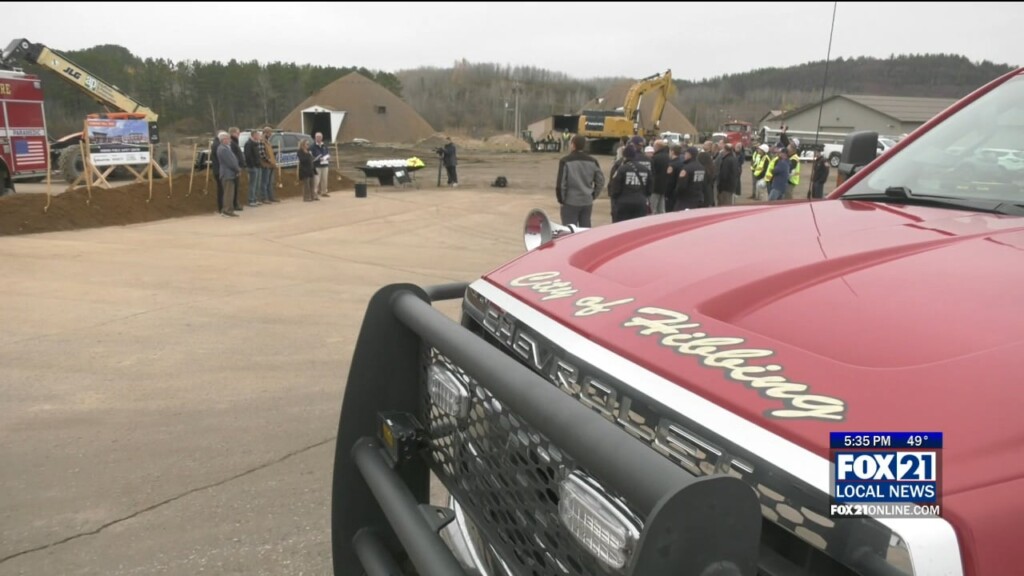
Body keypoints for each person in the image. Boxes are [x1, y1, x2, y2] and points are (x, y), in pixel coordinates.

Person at [555, 134, 605, 228]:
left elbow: (561, 184)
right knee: (585, 231)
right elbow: (600, 181)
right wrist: (592, 195)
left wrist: (562, 200)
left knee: (569, 232)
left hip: (570, 202)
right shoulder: (593, 161)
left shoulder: (565, 161)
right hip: (587, 202)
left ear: (573, 145)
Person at [608, 144, 652, 222]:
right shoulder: (645, 169)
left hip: (623, 203)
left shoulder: (621, 169)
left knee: (622, 227)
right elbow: (650, 189)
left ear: (624, 156)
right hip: (640, 203)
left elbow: (615, 188)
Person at [215, 132, 241, 217]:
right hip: (227, 174)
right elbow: (230, 162)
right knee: (228, 193)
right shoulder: (223, 149)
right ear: (223, 140)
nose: (229, 140)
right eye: (227, 138)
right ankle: (227, 210)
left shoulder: (224, 148)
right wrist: (237, 169)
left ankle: (227, 210)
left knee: (228, 193)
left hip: (228, 173)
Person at [648, 139, 671, 214]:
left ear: (657, 147)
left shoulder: (655, 158)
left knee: (653, 208)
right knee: (661, 208)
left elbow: (652, 172)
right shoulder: (668, 157)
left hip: (655, 186)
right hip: (664, 185)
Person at [243, 130, 262, 207]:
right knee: (252, 184)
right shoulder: (248, 144)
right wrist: (252, 165)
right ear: (254, 135)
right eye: (258, 135)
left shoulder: (256, 144)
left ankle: (255, 199)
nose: (259, 137)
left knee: (257, 184)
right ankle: (251, 200)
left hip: (257, 166)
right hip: (252, 167)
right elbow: (248, 156)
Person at [260, 127, 279, 204]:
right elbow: (261, 154)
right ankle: (264, 198)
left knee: (270, 182)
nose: (270, 134)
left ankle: (271, 197)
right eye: (269, 133)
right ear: (265, 133)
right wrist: (268, 160)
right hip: (266, 165)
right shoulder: (261, 142)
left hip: (271, 165)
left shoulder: (268, 142)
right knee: (265, 182)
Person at [228, 127, 245, 211]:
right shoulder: (232, 143)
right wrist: (237, 167)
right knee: (234, 188)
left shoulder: (235, 142)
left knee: (236, 188)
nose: (239, 135)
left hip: (237, 167)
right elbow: (233, 157)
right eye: (238, 133)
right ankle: (234, 204)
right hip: (234, 168)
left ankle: (235, 203)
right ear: (233, 133)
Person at [311, 132, 331, 198]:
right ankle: (315, 193)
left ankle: (324, 192)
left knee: (325, 179)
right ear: (315, 137)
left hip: (325, 164)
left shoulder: (324, 145)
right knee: (316, 180)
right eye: (317, 137)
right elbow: (311, 156)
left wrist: (327, 157)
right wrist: (318, 159)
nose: (319, 138)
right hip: (317, 165)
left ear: (322, 138)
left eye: (320, 137)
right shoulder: (313, 146)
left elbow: (327, 153)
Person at [209, 134, 224, 214]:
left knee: (221, 189)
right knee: (221, 189)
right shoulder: (217, 145)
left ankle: (221, 207)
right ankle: (221, 207)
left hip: (217, 170)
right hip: (219, 170)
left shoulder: (216, 144)